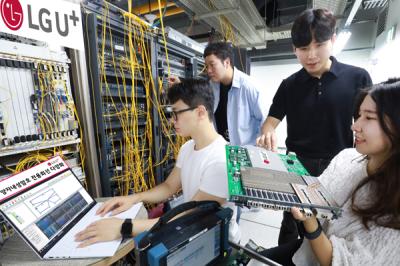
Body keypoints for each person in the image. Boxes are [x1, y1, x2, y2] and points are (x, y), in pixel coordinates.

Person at [75, 79, 240, 247]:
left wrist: (124, 226)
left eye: (176, 113)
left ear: (200, 112)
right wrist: (133, 198)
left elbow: (189, 217)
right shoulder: (188, 147)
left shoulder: (221, 161)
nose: (171, 120)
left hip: (219, 243)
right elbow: (169, 186)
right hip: (195, 233)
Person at [256, 8, 372, 245]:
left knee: (330, 229)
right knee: (292, 224)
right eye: (303, 48)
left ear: (333, 40)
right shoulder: (289, 85)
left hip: (339, 167)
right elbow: (270, 121)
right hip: (297, 166)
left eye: (318, 45)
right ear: (294, 49)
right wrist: (267, 133)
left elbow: (369, 123)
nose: (311, 55)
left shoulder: (357, 78)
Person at [259, 77, 400, 265]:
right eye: (358, 116)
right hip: (307, 250)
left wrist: (309, 221)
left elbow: (342, 261)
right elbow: (317, 194)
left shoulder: (394, 201)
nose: (355, 126)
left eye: (369, 117)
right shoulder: (347, 158)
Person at [170, 42, 268, 145]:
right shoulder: (212, 85)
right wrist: (180, 84)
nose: (208, 70)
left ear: (226, 62)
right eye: (207, 66)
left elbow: (265, 122)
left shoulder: (250, 87)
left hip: (244, 153)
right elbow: (196, 95)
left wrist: (258, 149)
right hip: (220, 148)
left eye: (212, 65)